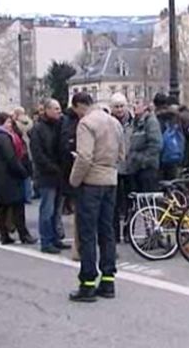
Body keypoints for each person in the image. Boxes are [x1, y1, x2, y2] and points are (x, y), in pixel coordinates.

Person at [68, 102, 124, 302]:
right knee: (107, 231)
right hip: (110, 180)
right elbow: (121, 154)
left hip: (91, 182)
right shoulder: (115, 123)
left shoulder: (86, 123)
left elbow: (84, 156)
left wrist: (74, 180)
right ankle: (108, 280)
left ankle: (88, 283)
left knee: (87, 233)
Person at [30, 98, 70, 254]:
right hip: (47, 175)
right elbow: (38, 155)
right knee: (47, 209)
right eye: (55, 109)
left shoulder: (60, 126)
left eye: (59, 109)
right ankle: (46, 241)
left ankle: (55, 238)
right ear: (46, 110)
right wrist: (52, 167)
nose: (59, 112)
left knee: (56, 210)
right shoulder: (38, 129)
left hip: (59, 174)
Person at [0, 112, 36, 245]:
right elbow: (11, 158)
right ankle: (22, 234)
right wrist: (23, 171)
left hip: (4, 176)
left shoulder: (3, 136)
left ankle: (6, 234)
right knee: (15, 207)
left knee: (5, 207)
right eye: (8, 122)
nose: (11, 125)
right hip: (7, 176)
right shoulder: (2, 138)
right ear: (1, 123)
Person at [60, 92, 93, 260]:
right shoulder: (69, 123)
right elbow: (67, 146)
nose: (85, 111)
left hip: (84, 171)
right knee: (79, 213)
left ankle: (83, 248)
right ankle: (79, 249)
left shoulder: (85, 121)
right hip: (75, 170)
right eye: (82, 108)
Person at [110, 93, 134, 243]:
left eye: (121, 106)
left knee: (131, 203)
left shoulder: (134, 122)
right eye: (116, 106)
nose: (119, 109)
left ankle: (128, 232)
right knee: (114, 204)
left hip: (130, 167)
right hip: (115, 168)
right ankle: (115, 234)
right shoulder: (109, 122)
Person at [128, 100, 163, 194]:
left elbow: (156, 144)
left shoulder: (151, 121)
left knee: (148, 198)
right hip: (136, 168)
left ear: (145, 107)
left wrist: (142, 161)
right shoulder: (135, 122)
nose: (134, 105)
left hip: (147, 168)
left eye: (137, 103)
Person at [154, 93, 185, 181]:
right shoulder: (175, 116)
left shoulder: (155, 118)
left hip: (161, 157)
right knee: (174, 182)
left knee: (161, 185)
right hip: (175, 154)